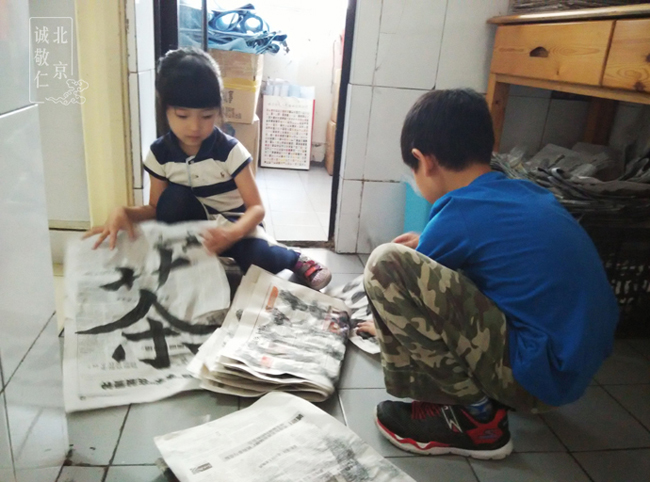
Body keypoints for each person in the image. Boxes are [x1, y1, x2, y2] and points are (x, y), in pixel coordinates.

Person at [363, 89, 619, 460]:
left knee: (386, 264)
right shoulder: (520, 191)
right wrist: (428, 240)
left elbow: (412, 293)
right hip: (571, 371)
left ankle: (475, 419)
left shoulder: (457, 211)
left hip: (535, 377)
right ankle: (490, 401)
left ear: (424, 161)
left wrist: (381, 326)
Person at [85, 47, 331, 290]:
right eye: (182, 116)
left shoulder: (229, 151)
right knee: (172, 200)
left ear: (218, 111)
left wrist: (231, 234)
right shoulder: (160, 154)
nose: (194, 127)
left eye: (206, 116)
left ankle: (294, 258)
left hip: (236, 228)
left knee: (259, 259)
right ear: (165, 110)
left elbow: (256, 209)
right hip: (194, 233)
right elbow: (155, 208)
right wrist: (124, 212)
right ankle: (214, 267)